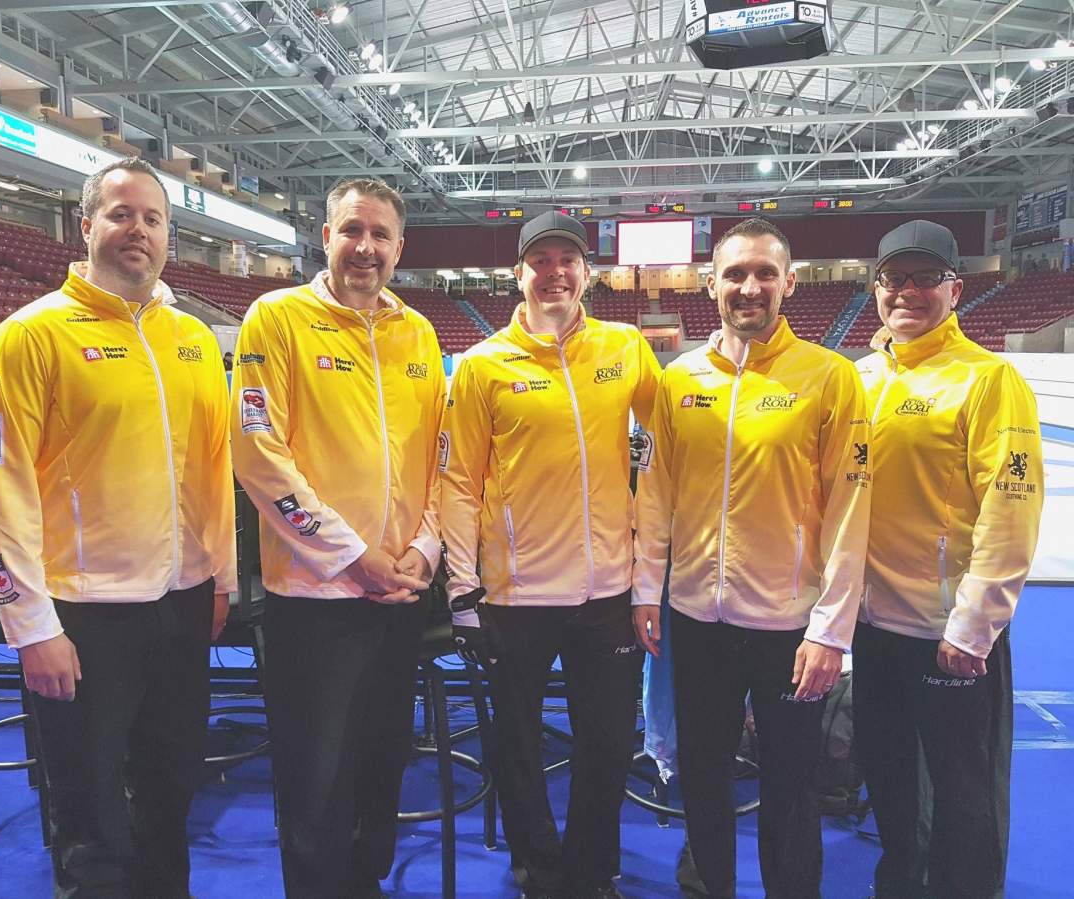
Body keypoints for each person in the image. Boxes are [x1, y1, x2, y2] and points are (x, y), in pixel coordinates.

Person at [0, 157, 236, 898]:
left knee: (170, 791)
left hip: (182, 605)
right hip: (82, 618)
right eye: (121, 214)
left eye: (153, 218)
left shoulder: (191, 340)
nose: (138, 230)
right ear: (85, 226)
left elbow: (213, 471)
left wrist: (221, 580)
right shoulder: (29, 336)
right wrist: (31, 624)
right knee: (89, 820)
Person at [632, 218, 871, 899]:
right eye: (735, 274)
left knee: (790, 783)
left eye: (765, 273)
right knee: (704, 773)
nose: (750, 287)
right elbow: (655, 496)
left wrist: (830, 629)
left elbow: (852, 511)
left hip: (789, 625)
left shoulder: (829, 378)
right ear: (711, 285)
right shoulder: (678, 381)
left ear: (789, 283)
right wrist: (647, 591)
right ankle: (709, 885)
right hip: (697, 621)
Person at [229, 177, 444, 898]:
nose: (366, 247)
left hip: (400, 590)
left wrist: (424, 550)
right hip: (316, 593)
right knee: (315, 774)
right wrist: (355, 556)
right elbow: (259, 453)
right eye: (353, 230)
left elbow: (440, 461)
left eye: (381, 235)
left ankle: (366, 882)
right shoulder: (277, 318)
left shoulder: (418, 331)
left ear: (400, 248)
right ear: (325, 236)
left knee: (384, 757)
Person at [441, 211, 661, 899]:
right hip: (515, 595)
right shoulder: (481, 367)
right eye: (541, 260)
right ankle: (538, 866)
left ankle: (592, 871)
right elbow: (456, 481)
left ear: (588, 272)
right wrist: (462, 584)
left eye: (568, 259)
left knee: (603, 743)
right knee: (518, 744)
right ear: (519, 274)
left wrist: (648, 566)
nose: (555, 272)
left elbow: (670, 441)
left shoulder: (626, 348)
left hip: (606, 592)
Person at [853, 220, 1043, 899]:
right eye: (894, 278)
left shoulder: (990, 380)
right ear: (876, 289)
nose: (907, 291)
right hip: (873, 634)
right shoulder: (863, 377)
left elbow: (1012, 505)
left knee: (964, 799)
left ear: (955, 288)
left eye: (924, 277)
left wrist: (974, 626)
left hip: (948, 637)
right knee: (893, 789)